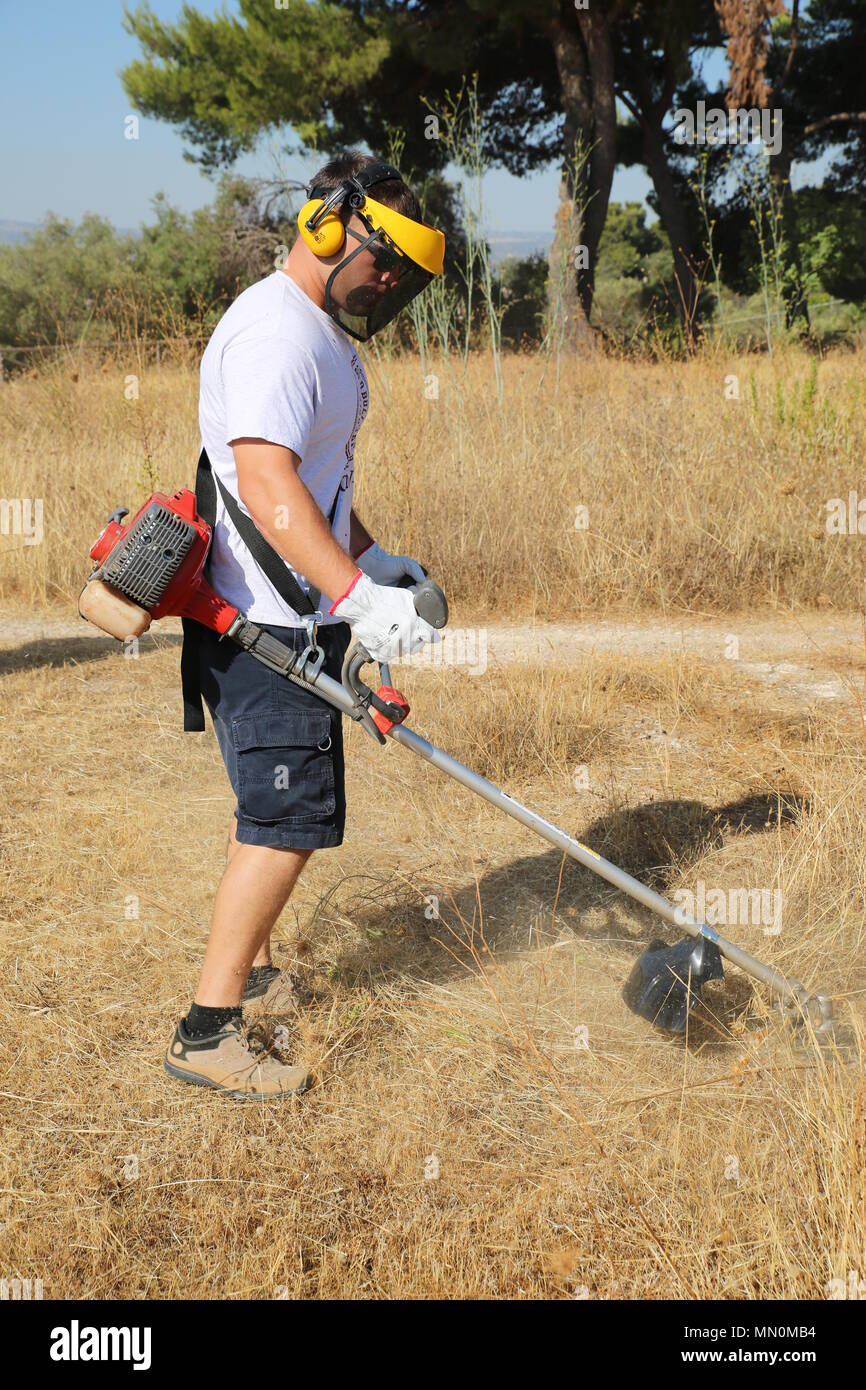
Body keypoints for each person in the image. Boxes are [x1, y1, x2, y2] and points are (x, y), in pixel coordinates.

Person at [163, 153, 446, 1099]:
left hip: (287, 615)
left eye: (405, 275)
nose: (392, 284)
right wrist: (357, 603)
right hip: (262, 628)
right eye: (386, 262)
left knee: (271, 808)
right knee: (282, 824)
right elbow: (271, 486)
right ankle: (207, 1032)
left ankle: (255, 967)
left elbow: (318, 490)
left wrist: (367, 562)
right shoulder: (277, 334)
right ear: (329, 228)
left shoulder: (319, 335)